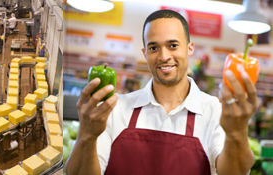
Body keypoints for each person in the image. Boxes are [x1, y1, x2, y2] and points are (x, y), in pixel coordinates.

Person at [65, 10, 255, 175]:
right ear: (145, 53)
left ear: (190, 48)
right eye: (154, 47)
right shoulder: (114, 109)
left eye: (173, 45)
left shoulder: (215, 111)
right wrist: (86, 135)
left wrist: (237, 134)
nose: (164, 57)